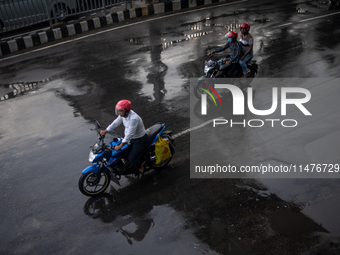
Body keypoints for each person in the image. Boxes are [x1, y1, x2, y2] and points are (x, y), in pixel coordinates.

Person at [100, 100, 148, 179]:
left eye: (120, 111)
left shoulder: (133, 119)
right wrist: (105, 131)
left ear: (126, 110)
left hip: (139, 140)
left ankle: (141, 168)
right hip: (130, 139)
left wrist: (121, 145)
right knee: (122, 153)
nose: (119, 112)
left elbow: (130, 134)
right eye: (118, 110)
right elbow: (115, 123)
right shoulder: (123, 115)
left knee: (131, 158)